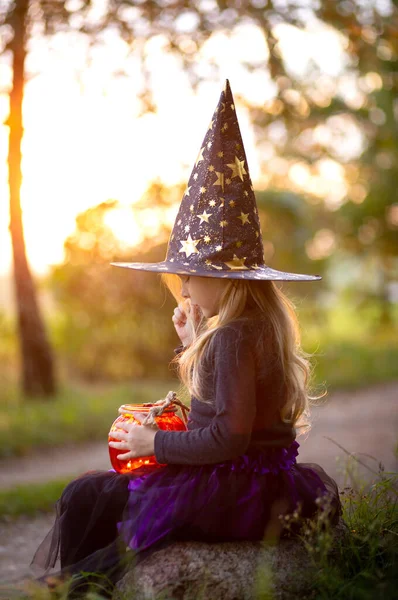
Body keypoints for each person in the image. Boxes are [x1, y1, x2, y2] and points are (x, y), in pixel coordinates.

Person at [31, 80, 342, 597]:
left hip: (233, 493)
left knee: (86, 496)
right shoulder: (253, 329)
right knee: (95, 493)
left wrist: (151, 442)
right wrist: (196, 335)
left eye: (190, 277)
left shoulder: (233, 339)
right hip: (263, 485)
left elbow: (227, 439)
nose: (185, 288)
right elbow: (227, 407)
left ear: (225, 281)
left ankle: (80, 591)